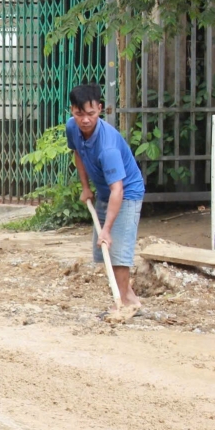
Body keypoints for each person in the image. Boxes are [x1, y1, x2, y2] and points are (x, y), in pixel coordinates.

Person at [67, 83, 146, 307]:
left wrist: (108, 229)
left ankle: (125, 302)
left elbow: (118, 190)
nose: (85, 120)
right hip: (104, 191)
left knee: (117, 248)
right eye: (79, 114)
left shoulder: (107, 146)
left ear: (100, 109)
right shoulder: (72, 128)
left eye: (90, 114)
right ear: (72, 110)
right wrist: (85, 187)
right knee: (102, 252)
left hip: (126, 192)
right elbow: (78, 154)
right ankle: (127, 296)